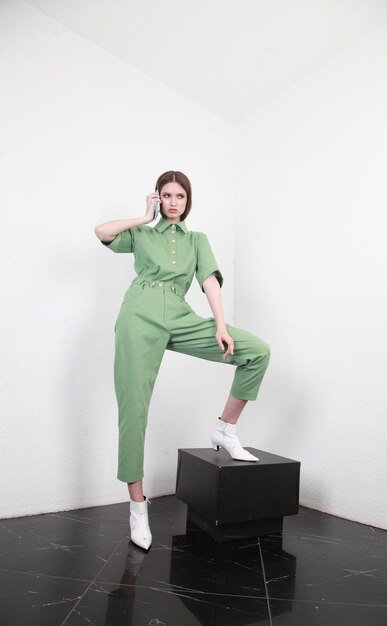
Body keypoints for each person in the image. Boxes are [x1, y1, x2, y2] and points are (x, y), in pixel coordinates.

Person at [94, 170, 271, 550]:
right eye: (167, 195)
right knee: (134, 410)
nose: (174, 202)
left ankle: (226, 428)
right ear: (158, 198)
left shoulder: (196, 240)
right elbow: (101, 232)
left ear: (188, 201)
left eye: (180, 196)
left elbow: (209, 281)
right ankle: (138, 507)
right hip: (138, 316)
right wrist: (143, 217)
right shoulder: (141, 233)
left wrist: (221, 325)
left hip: (180, 314)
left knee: (256, 351)